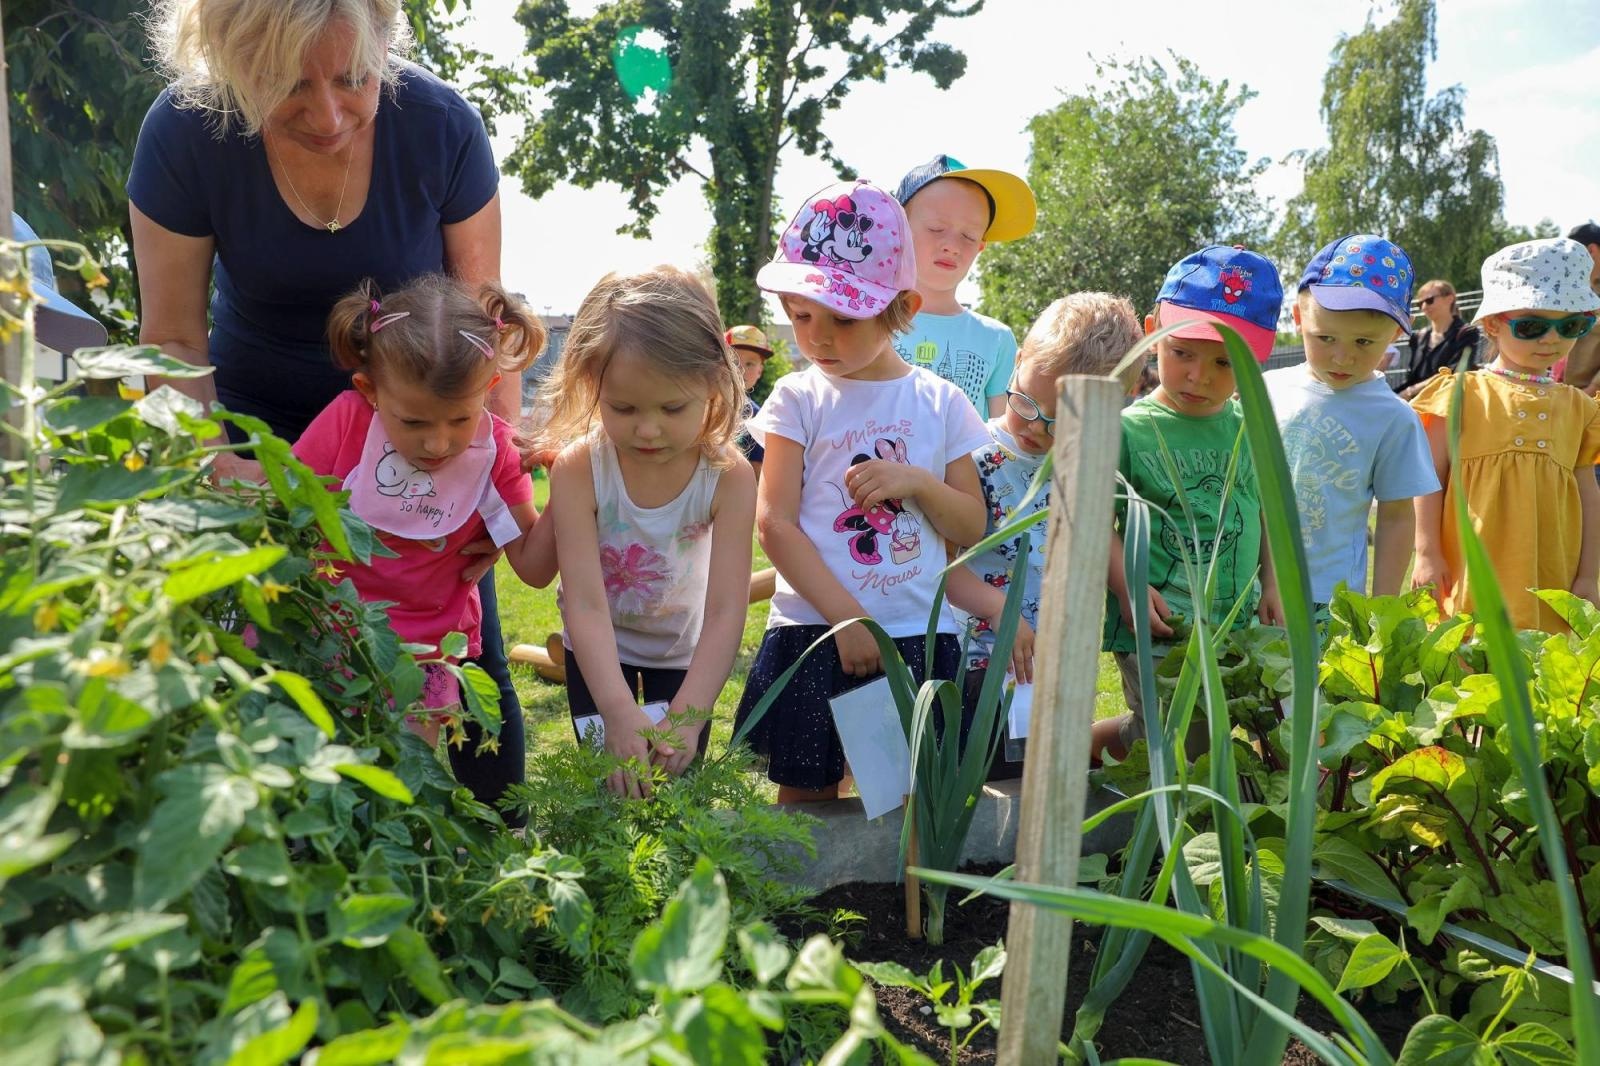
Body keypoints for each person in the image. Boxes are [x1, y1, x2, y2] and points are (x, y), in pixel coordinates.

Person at [127, 0, 526, 811]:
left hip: (421, 434)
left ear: (385, 44)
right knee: (273, 662)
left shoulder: (443, 128)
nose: (329, 114)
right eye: (286, 84)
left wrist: (487, 481)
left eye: (352, 79)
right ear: (232, 65)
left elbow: (482, 328)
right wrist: (218, 463)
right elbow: (170, 336)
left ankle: (495, 851)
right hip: (260, 437)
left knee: (461, 663)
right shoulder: (184, 132)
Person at [733, 179, 991, 803]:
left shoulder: (941, 402)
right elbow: (774, 524)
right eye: (801, 317)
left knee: (907, 807)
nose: (818, 338)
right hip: (816, 629)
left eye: (843, 319)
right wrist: (847, 619)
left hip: (915, 634)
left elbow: (970, 525)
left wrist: (918, 482)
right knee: (806, 806)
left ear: (901, 307)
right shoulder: (797, 398)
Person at [523, 268, 756, 799]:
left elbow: (727, 611)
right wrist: (616, 708)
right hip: (597, 654)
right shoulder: (580, 469)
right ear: (591, 384)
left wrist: (690, 716)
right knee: (610, 792)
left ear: (714, 382)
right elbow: (584, 604)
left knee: (677, 795)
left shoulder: (729, 476)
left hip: (685, 657)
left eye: (672, 408)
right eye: (623, 408)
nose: (647, 430)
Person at [292, 276, 544, 759]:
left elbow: (534, 568)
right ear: (369, 390)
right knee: (323, 765)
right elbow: (286, 512)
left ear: (488, 389)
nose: (437, 443)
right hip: (331, 636)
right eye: (413, 421)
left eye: (460, 419)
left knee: (407, 769)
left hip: (428, 653)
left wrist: (572, 478)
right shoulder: (346, 423)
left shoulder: (496, 451)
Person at [1091, 245, 1286, 763]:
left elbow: (1264, 509)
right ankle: (1110, 758)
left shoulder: (1252, 428)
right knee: (1183, 746)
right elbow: (1095, 522)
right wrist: (1128, 587)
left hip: (1236, 621)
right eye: (1182, 353)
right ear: (1152, 332)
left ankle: (1103, 742)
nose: (1201, 376)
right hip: (1158, 626)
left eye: (1225, 362)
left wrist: (1272, 582)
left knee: (1230, 730)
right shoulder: (1127, 429)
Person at [948, 292, 1142, 779]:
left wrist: (1127, 589)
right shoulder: (969, 455)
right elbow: (942, 565)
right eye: (1026, 402)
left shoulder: (1082, 464)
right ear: (1017, 364)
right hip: (980, 659)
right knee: (987, 782)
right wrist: (999, 610)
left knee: (1051, 778)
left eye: (1060, 420)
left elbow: (1098, 530)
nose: (1036, 426)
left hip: (1056, 662)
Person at [1410, 237, 1600, 632]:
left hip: (1550, 574)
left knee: (1542, 662)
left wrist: (1587, 576)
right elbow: (1428, 479)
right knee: (1469, 657)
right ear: (1494, 324)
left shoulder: (1579, 409)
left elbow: (1589, 496)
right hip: (1471, 570)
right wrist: (1426, 552)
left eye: (1570, 326)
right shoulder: (1461, 393)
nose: (1552, 339)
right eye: (1532, 326)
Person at [1265, 235, 1439, 614]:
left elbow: (1396, 517)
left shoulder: (1393, 418)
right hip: (1249, 586)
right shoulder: (1265, 390)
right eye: (1325, 338)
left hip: (1328, 601)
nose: (1342, 357)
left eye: (1363, 342)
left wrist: (1381, 608)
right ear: (1298, 318)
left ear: (1395, 334)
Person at [892, 155, 1038, 416]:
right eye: (936, 228)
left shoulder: (996, 339)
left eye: (969, 236)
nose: (952, 246)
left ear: (980, 247)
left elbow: (1003, 434)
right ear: (899, 230)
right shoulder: (865, 323)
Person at [1396, 279, 1480, 399]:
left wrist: (1411, 391)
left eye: (1429, 300)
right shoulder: (1418, 337)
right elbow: (1412, 378)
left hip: (1445, 400)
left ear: (1449, 299)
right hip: (1417, 401)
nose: (1424, 307)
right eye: (1420, 304)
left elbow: (1455, 373)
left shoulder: (1467, 333)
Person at [1553, 222, 1600, 392]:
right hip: (1567, 394)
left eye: (1570, 256)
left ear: (1591, 251)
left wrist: (1593, 389)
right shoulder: (1582, 289)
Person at [727, 324, 773, 479]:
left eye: (750, 364)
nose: (741, 370)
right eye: (734, 361)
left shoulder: (756, 417)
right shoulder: (702, 404)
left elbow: (757, 469)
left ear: (760, 371)